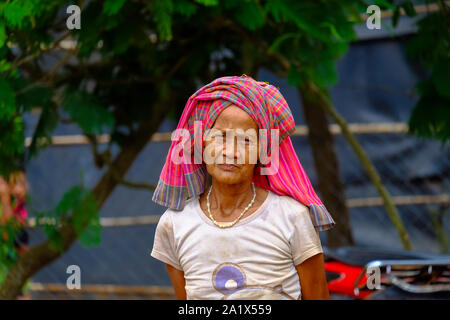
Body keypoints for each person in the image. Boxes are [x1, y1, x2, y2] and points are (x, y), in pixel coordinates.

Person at [150, 75, 335, 300]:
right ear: (202, 142)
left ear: (263, 151)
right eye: (220, 136)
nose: (231, 152)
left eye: (246, 140)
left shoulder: (291, 218)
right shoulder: (174, 225)